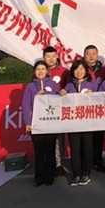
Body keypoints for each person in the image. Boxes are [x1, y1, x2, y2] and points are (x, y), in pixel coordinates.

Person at [60, 59, 98, 186]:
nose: (79, 72)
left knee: (87, 148)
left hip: (88, 122)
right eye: (76, 69)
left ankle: (86, 173)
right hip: (73, 123)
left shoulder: (92, 85)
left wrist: (94, 94)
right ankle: (76, 174)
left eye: (82, 69)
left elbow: (100, 100)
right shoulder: (69, 86)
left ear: (86, 71)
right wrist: (62, 93)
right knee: (75, 149)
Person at [22, 60, 60, 186]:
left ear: (47, 71)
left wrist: (60, 92)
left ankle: (50, 176)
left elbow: (59, 99)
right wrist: (28, 122)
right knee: (39, 151)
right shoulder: (30, 87)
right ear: (34, 72)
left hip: (50, 123)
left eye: (43, 69)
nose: (40, 72)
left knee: (50, 150)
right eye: (38, 69)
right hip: (36, 124)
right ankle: (39, 177)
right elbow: (26, 105)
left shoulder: (53, 84)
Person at [42, 46, 68, 177]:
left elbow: (69, 87)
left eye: (53, 56)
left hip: (59, 109)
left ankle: (59, 164)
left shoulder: (64, 71)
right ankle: (49, 163)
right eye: (48, 57)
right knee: (46, 138)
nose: (51, 59)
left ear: (57, 56)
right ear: (44, 58)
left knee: (59, 138)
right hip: (44, 110)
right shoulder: (40, 71)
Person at [82, 45, 105, 172]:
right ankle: (86, 163)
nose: (91, 57)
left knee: (98, 137)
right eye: (88, 54)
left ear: (97, 55)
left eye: (93, 54)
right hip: (83, 110)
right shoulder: (79, 69)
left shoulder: (104, 70)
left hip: (99, 109)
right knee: (85, 138)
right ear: (84, 56)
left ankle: (97, 161)